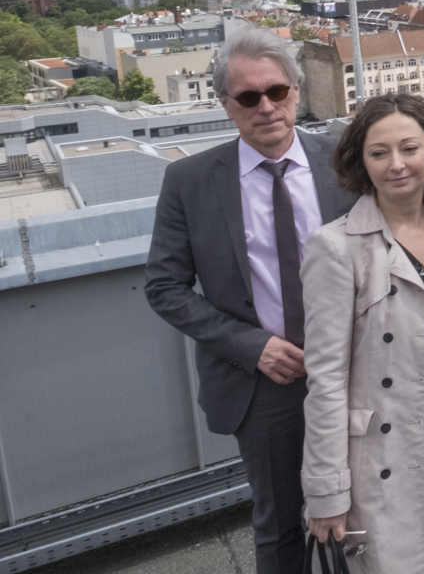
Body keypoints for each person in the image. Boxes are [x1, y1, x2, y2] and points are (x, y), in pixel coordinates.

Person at [144, 29, 357, 574]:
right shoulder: (190, 181)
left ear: (297, 91)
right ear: (225, 105)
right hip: (266, 383)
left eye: (277, 92)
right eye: (248, 97)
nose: (266, 107)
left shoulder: (344, 162)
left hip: (355, 367)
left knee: (369, 509)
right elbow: (164, 287)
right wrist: (251, 346)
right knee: (281, 526)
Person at [300, 95, 424, 574]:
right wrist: (327, 492)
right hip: (386, 449)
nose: (396, 164)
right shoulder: (335, 248)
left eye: (409, 148)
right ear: (361, 160)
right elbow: (326, 380)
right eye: (379, 153)